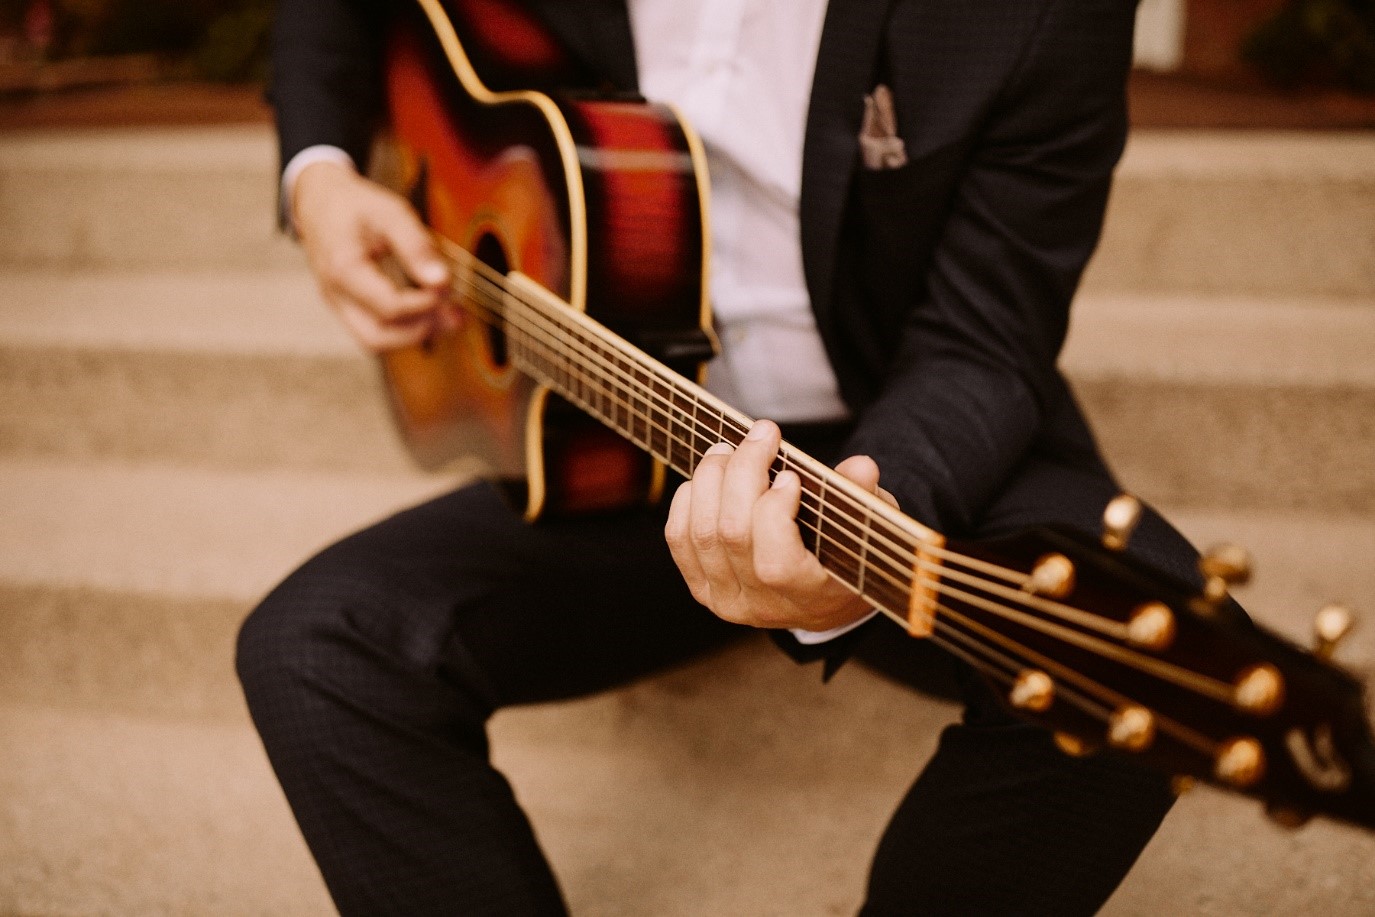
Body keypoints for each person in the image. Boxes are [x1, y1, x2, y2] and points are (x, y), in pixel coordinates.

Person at [238, 0, 1205, 913]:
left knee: (1146, 657)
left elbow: (983, 339)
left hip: (892, 438)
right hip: (617, 433)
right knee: (315, 645)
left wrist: (871, 522)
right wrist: (319, 175)